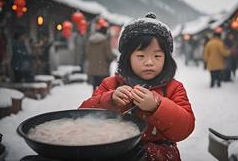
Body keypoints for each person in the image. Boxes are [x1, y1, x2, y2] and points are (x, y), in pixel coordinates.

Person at [79, 13, 195, 161]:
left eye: (157, 56)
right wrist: (110, 100)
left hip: (160, 156)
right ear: (127, 58)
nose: (149, 62)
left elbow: (184, 129)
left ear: (166, 59)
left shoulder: (173, 88)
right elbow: (83, 117)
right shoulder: (111, 84)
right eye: (141, 56)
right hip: (115, 153)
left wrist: (157, 106)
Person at [85, 17, 116, 90]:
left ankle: (94, 100)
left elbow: (87, 53)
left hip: (93, 69)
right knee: (103, 89)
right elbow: (109, 55)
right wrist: (113, 57)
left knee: (94, 88)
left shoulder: (90, 41)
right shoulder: (105, 41)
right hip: (103, 70)